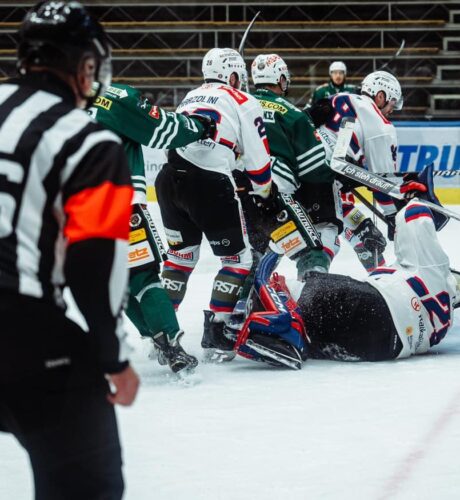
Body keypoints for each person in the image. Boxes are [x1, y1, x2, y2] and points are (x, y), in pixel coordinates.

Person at [0, 2, 139, 499]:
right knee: (87, 487)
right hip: (23, 332)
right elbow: (94, 262)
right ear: (84, 66)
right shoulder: (87, 139)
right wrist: (113, 358)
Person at [231, 166, 458, 365]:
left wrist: (414, 197)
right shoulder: (441, 323)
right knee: (314, 321)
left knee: (301, 288)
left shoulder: (435, 271)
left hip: (376, 310)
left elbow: (416, 220)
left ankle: (252, 321)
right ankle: (286, 336)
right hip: (383, 348)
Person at [155, 47, 273, 361]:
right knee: (237, 261)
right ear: (232, 75)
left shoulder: (190, 96)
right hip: (209, 184)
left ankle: (161, 332)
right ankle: (218, 330)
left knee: (179, 260)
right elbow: (259, 167)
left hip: (168, 180)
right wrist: (265, 194)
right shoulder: (243, 100)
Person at [90, 82, 216, 373]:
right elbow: (162, 130)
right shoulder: (114, 97)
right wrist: (199, 127)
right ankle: (170, 344)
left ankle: (156, 339)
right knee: (142, 276)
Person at [246, 53, 342, 277]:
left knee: (251, 260)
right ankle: (316, 292)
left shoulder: (239, 105)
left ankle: (243, 298)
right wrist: (337, 177)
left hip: (237, 195)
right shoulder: (292, 114)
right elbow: (313, 170)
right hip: (274, 197)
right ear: (280, 79)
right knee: (312, 252)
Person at [315, 70, 404, 270]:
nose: (392, 109)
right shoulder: (380, 125)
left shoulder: (338, 97)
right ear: (380, 96)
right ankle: (312, 279)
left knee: (363, 232)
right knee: (328, 234)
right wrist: (392, 215)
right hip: (323, 183)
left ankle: (378, 273)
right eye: (392, 102)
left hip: (304, 170)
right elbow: (383, 180)